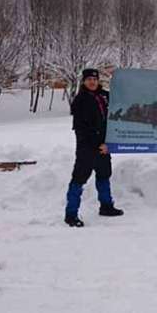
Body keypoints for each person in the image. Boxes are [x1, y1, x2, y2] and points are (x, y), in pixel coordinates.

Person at [65, 68, 124, 227]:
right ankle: (71, 214)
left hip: (104, 146)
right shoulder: (80, 100)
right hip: (87, 147)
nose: (92, 82)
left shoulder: (105, 96)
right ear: (84, 81)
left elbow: (122, 102)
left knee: (104, 175)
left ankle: (106, 206)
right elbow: (81, 128)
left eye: (95, 79)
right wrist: (99, 145)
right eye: (89, 79)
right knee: (79, 178)